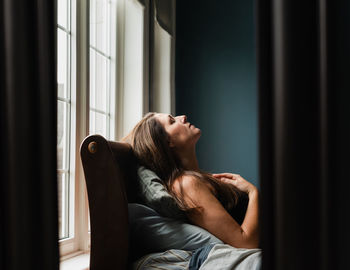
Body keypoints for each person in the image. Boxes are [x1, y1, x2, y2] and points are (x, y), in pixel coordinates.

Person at [124, 112, 259, 249]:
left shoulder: (198, 178)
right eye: (172, 121)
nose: (183, 117)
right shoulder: (186, 185)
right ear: (167, 142)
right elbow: (245, 243)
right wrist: (253, 193)